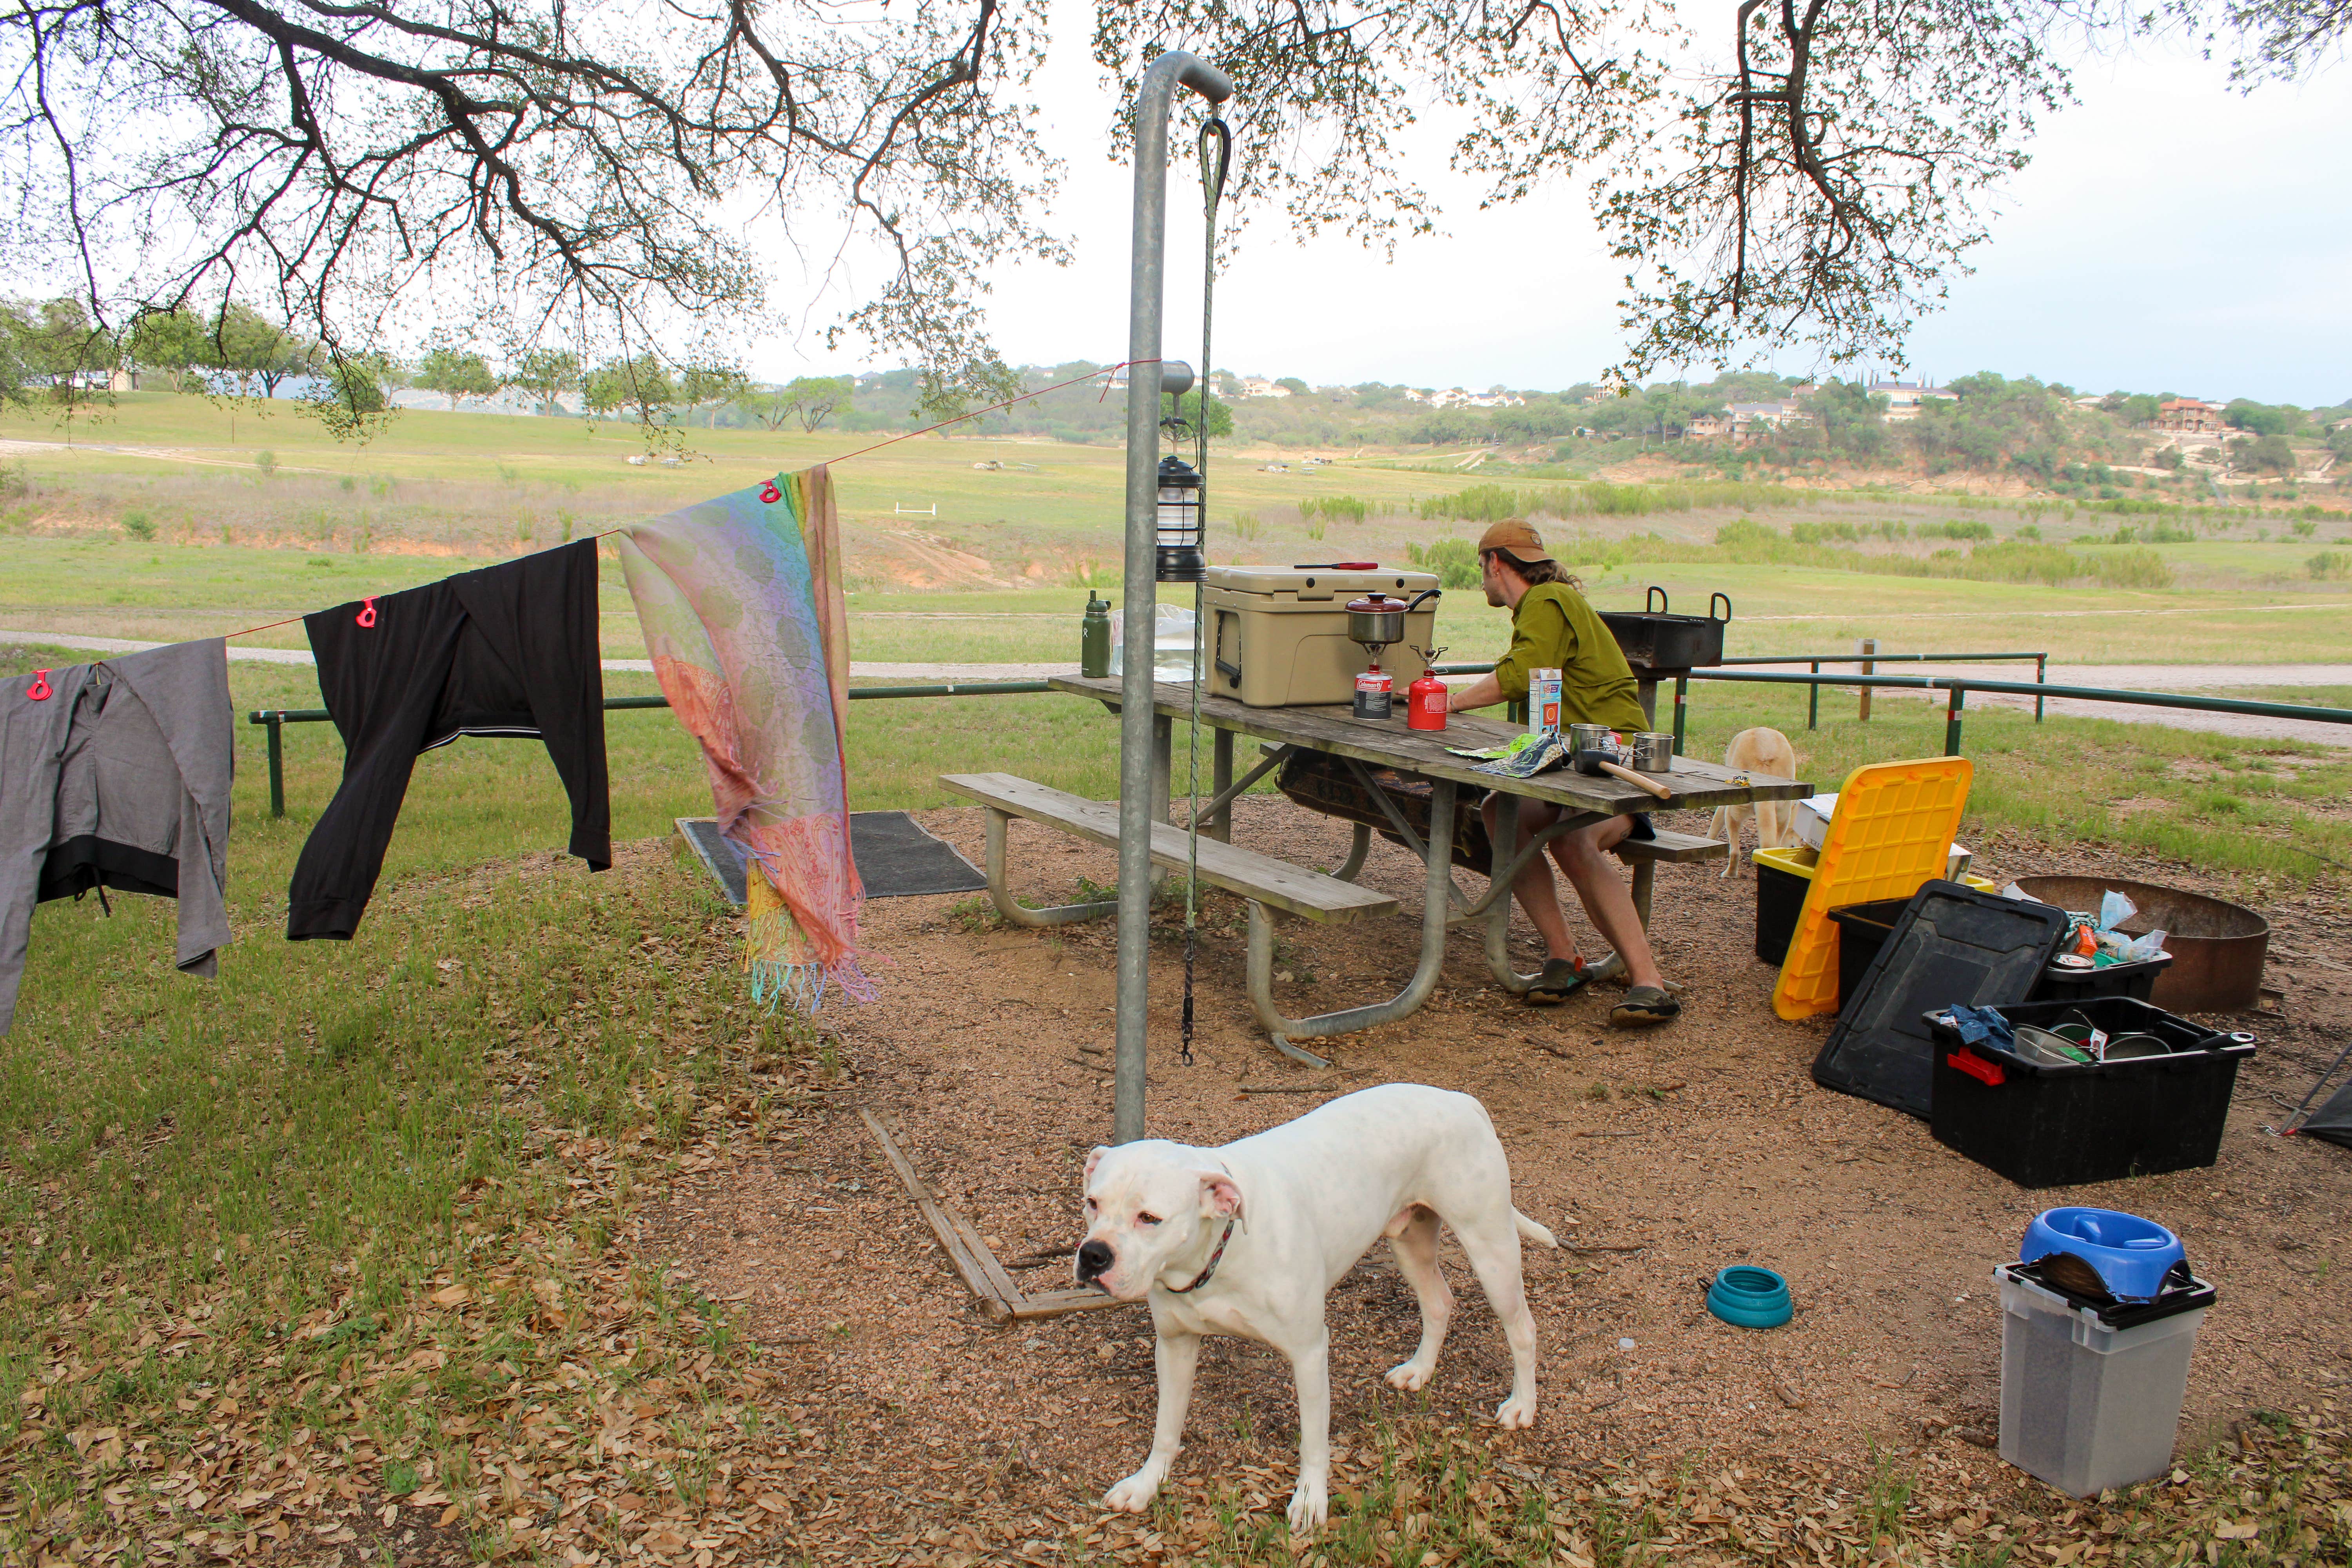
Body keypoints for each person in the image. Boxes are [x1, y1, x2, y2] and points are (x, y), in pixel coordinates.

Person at [1441, 518, 1679, 1026]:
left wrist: (1451, 703)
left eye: (1482, 568)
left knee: (1571, 838)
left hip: (1616, 761)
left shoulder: (1547, 602)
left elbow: (1521, 673)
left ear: (1495, 563)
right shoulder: (1546, 604)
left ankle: (1649, 983)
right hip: (1572, 764)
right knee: (1499, 809)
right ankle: (1563, 957)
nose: (1483, 577)